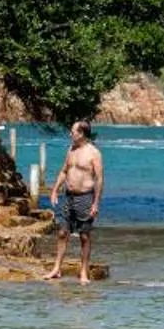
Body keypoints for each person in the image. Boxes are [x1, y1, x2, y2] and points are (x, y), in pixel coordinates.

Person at [46, 121, 105, 284]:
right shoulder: (71, 149)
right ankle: (56, 268)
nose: (70, 134)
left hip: (85, 197)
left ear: (81, 133)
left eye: (72, 131)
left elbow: (99, 179)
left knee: (84, 236)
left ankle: (84, 272)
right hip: (68, 196)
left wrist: (96, 204)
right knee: (62, 233)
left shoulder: (94, 153)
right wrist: (54, 190)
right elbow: (64, 171)